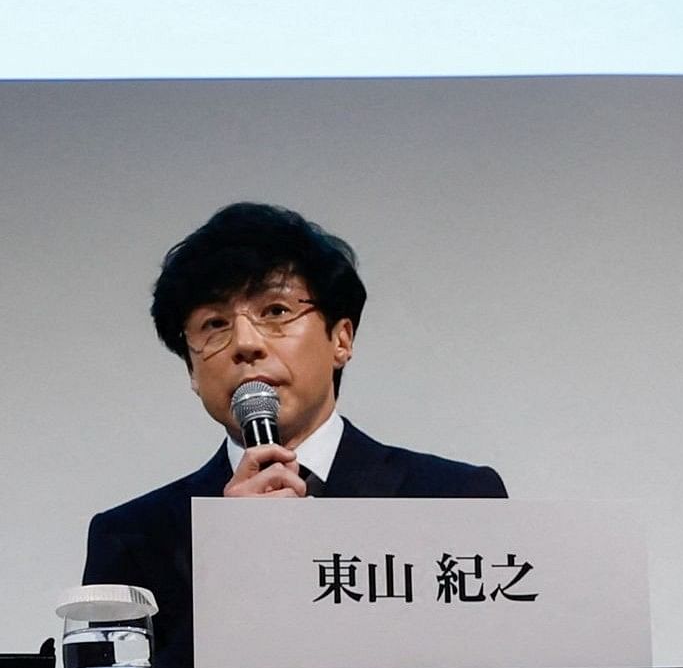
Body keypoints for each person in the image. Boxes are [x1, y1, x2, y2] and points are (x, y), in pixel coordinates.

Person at [82, 202, 504, 668]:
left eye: (276, 311)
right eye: (214, 325)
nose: (246, 343)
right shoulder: (131, 536)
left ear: (341, 339)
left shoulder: (454, 500)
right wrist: (236, 570)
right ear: (192, 371)